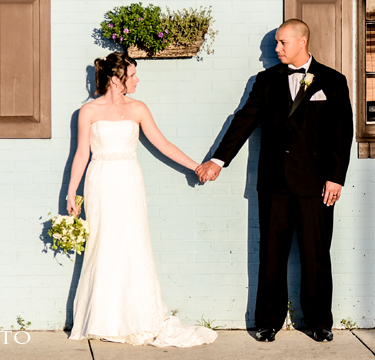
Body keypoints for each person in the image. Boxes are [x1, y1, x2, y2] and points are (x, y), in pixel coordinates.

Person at [196, 19, 352, 343]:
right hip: (274, 183)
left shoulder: (333, 81)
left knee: (316, 255)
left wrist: (336, 178)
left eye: (283, 43)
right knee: (271, 255)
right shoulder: (266, 81)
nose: (276, 49)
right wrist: (218, 160)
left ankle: (319, 322)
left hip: (316, 185)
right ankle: (267, 321)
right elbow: (244, 120)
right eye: (276, 43)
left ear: (302, 41)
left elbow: (342, 134)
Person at [67, 52, 216, 347]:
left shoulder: (138, 108)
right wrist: (72, 193)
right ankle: (103, 319)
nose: (137, 80)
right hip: (101, 182)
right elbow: (82, 153)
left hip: (129, 181)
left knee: (133, 243)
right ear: (116, 79)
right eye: (132, 75)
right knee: (103, 244)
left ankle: (137, 318)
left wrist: (196, 166)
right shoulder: (88, 111)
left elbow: (162, 143)